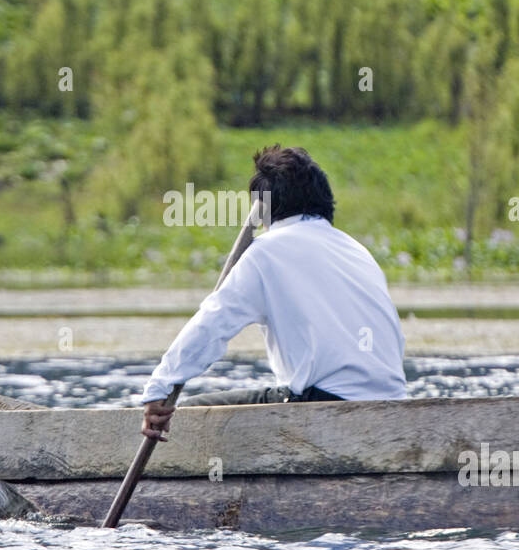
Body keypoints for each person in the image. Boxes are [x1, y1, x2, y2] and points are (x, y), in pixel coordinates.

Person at [140, 145, 407, 442]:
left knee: (189, 413)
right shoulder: (357, 251)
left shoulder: (266, 253)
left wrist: (159, 388)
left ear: (264, 212)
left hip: (324, 406)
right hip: (394, 402)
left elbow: (212, 325)